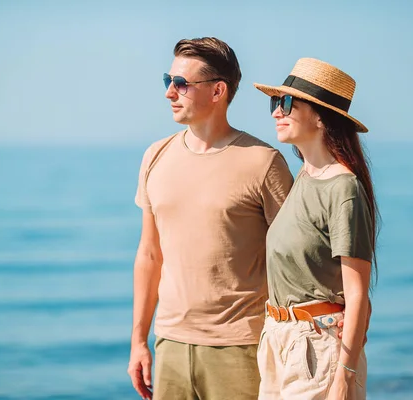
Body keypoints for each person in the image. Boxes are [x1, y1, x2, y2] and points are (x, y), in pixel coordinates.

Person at [127, 37, 294, 400]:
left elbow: (296, 257)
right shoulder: (155, 156)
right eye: (167, 81)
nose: (170, 92)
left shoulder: (264, 163)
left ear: (218, 91)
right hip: (170, 342)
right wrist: (139, 340)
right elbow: (149, 255)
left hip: (241, 347)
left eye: (182, 84)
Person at [253, 57, 379, 399]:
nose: (276, 112)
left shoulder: (343, 188)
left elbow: (356, 294)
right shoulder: (305, 179)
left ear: (321, 116)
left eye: (287, 103)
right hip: (279, 339)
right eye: (275, 102)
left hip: (317, 349)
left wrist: (344, 378)